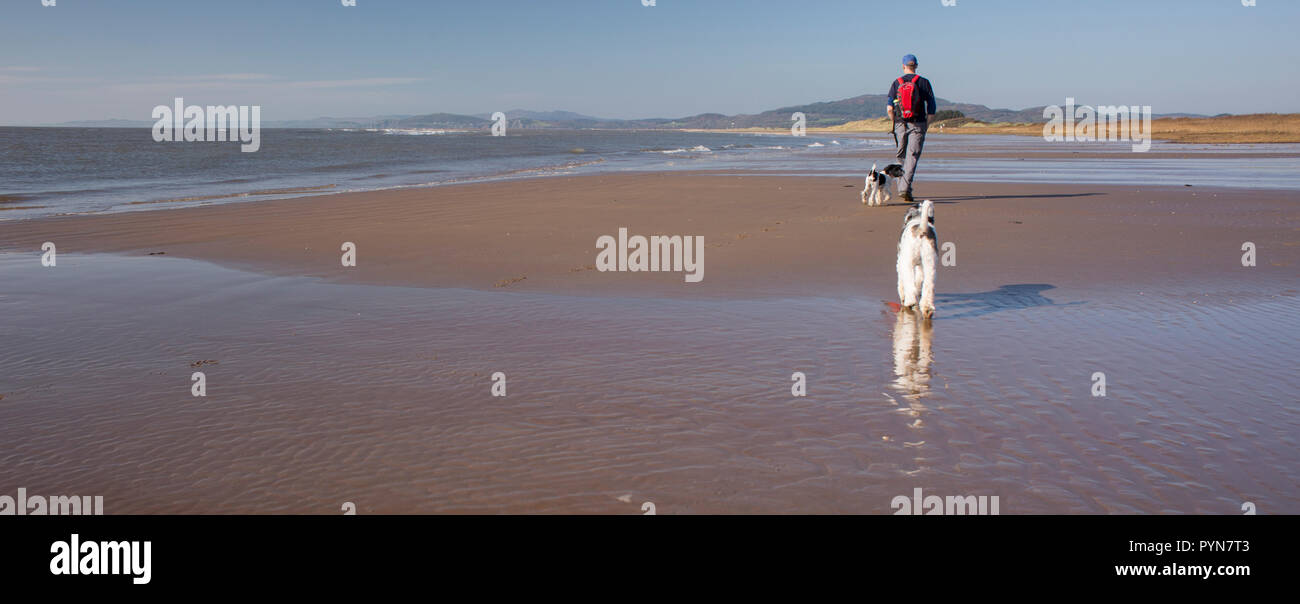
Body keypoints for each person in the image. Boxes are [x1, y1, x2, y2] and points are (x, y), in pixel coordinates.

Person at [886, 54, 936, 202]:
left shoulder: (896, 83)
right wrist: (926, 125)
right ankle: (904, 188)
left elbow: (889, 108)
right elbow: (932, 108)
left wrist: (895, 122)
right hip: (918, 123)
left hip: (900, 124)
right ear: (916, 66)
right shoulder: (924, 82)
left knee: (901, 156)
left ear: (903, 66)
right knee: (912, 156)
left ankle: (903, 186)